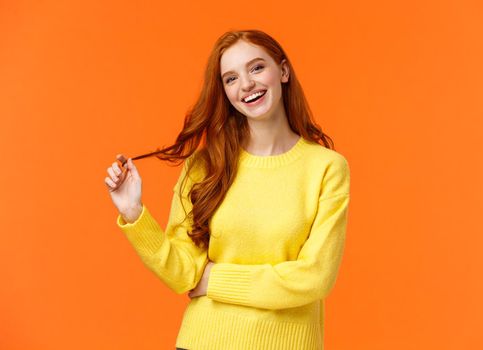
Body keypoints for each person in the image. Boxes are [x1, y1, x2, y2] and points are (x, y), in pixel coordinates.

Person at [104, 29, 350, 350]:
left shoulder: (326, 167)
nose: (246, 84)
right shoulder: (204, 166)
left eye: (257, 68)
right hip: (203, 341)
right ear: (225, 92)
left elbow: (314, 277)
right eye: (231, 78)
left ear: (284, 71)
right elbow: (183, 273)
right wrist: (134, 213)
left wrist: (214, 281)